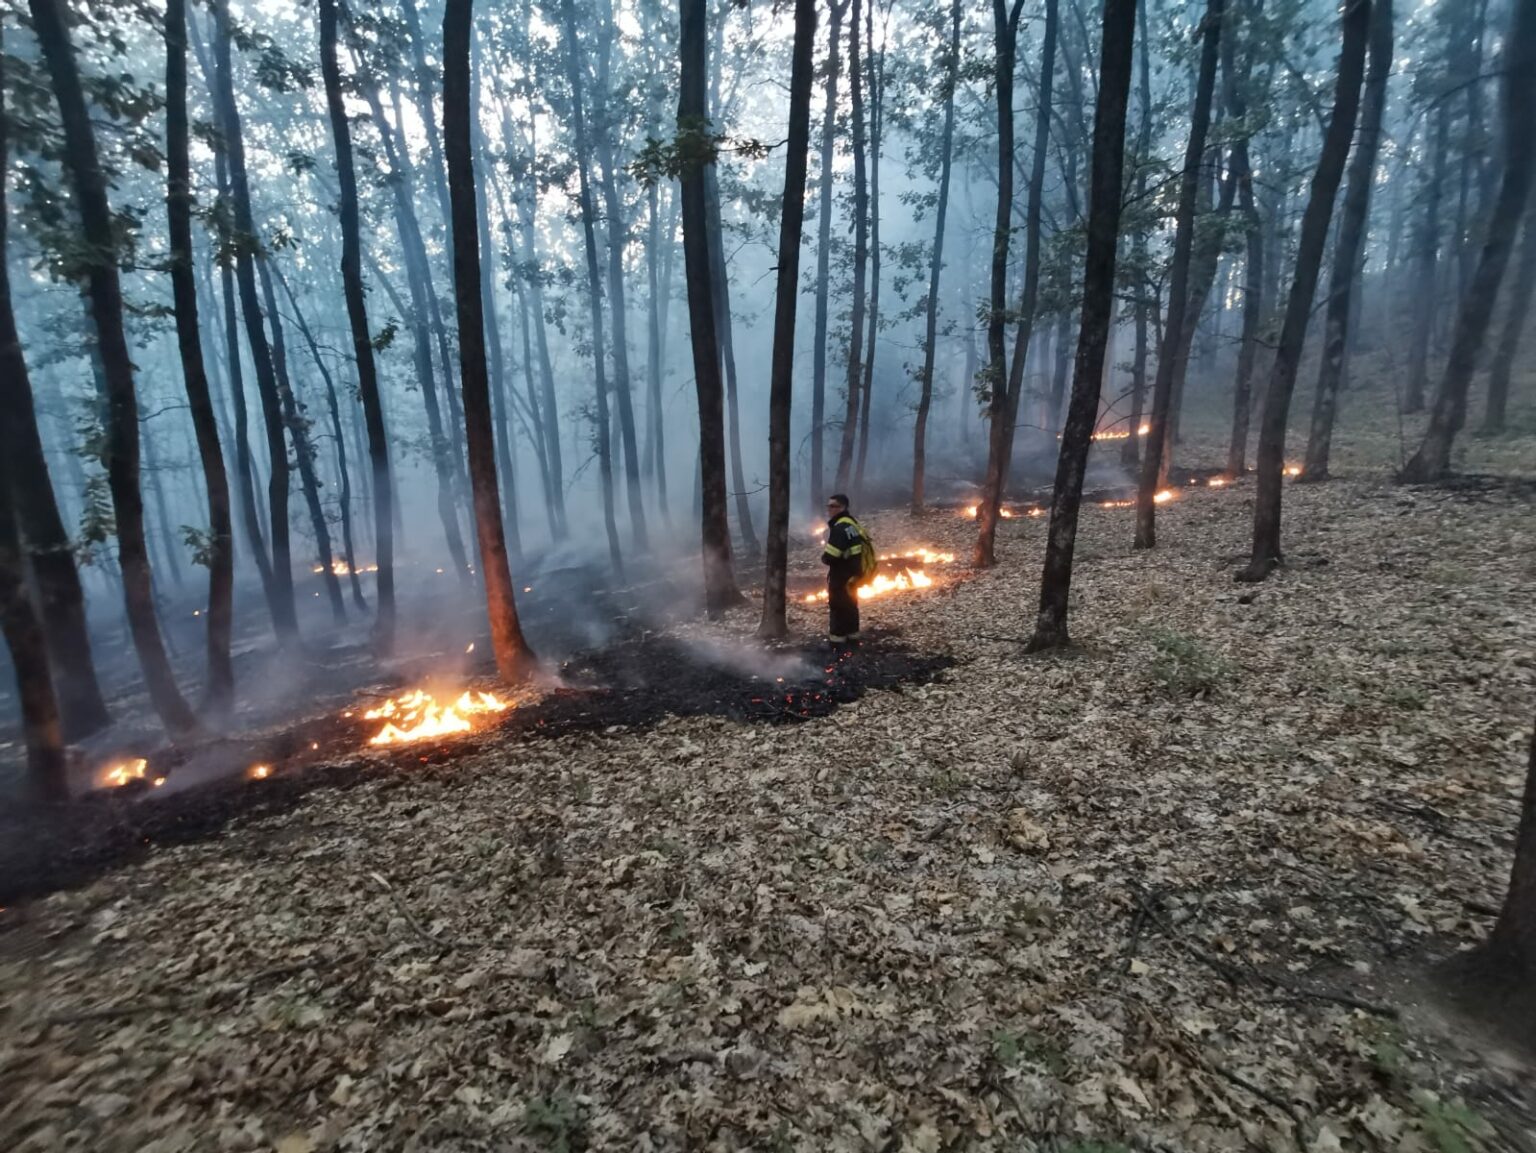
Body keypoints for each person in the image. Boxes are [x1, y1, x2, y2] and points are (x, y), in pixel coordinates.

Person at [820, 493, 865, 645]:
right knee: (851, 607)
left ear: (843, 507)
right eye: (828, 506)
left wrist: (824, 557)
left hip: (840, 578)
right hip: (853, 575)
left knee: (838, 608)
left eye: (833, 506)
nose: (829, 509)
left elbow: (831, 556)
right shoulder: (852, 525)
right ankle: (853, 640)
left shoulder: (840, 528)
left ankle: (837, 644)